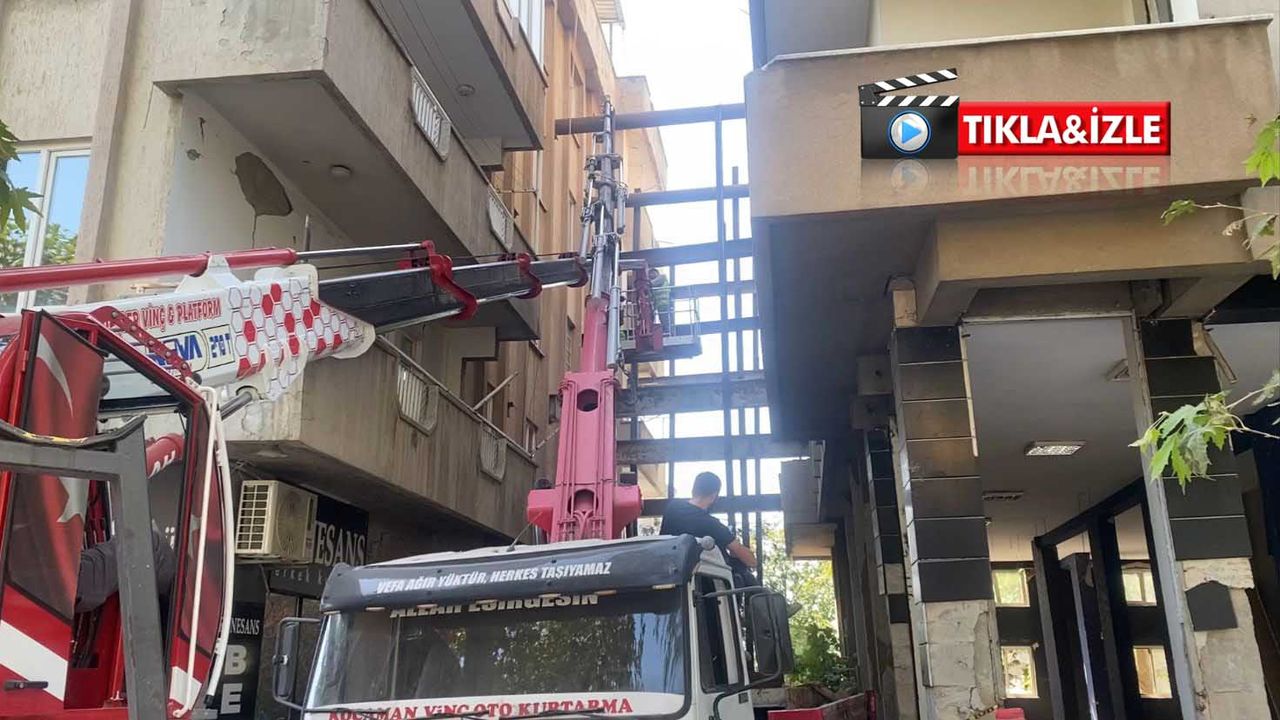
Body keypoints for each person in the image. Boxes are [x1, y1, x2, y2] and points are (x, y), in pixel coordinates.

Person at [660, 471, 759, 586]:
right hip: (704, 588)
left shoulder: (672, 508)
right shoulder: (712, 525)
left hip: (667, 577)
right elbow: (751, 561)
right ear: (713, 496)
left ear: (694, 490)